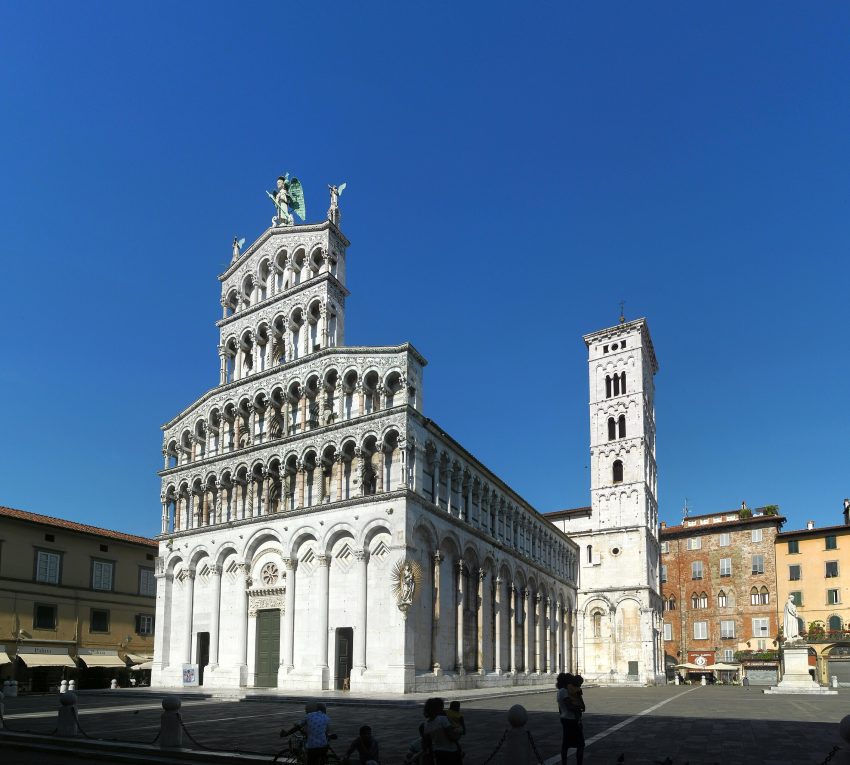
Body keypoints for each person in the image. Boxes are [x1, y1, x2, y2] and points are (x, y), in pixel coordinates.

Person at [422, 697, 462, 764]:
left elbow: (426, 743)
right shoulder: (442, 719)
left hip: (438, 753)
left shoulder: (426, 725)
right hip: (451, 752)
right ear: (438, 708)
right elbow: (452, 737)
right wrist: (459, 732)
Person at [557, 673, 585, 765]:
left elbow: (560, 709)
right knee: (580, 744)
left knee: (566, 744)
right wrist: (579, 708)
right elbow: (569, 706)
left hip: (566, 719)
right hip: (571, 720)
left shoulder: (562, 691)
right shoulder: (563, 691)